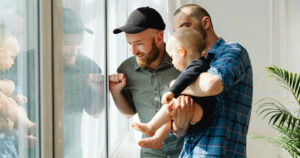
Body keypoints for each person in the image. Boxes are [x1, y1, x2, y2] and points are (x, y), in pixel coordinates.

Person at [109, 6, 198, 158]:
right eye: (129, 43)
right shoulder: (126, 69)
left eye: (138, 43)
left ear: (158, 38)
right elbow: (129, 112)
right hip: (150, 153)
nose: (133, 50)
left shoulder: (183, 63)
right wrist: (116, 92)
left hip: (188, 150)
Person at [168, 4, 253, 158]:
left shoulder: (233, 51)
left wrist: (175, 86)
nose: (181, 34)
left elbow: (212, 84)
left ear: (205, 23)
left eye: (185, 26)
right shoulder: (188, 66)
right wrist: (180, 125)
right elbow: (180, 131)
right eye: (177, 31)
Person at [131, 27, 216, 149]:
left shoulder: (197, 64)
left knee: (171, 105)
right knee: (171, 113)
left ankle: (151, 127)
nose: (172, 62)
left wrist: (172, 91)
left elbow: (186, 77)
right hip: (199, 112)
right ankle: (158, 138)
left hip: (203, 110)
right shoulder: (200, 64)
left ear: (181, 52)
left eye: (172, 57)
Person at [61, 8, 104, 158]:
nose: (74, 50)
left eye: (79, 43)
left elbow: (95, 113)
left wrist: (99, 91)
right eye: (67, 43)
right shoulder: (28, 63)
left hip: (72, 152)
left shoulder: (90, 68)